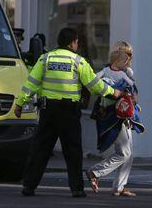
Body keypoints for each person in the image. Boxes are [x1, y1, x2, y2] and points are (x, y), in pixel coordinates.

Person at [14, 27, 121, 198]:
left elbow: (31, 83)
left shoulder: (45, 59)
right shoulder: (79, 61)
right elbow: (94, 85)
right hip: (69, 113)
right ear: (73, 42)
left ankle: (29, 186)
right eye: (77, 41)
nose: (77, 44)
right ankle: (77, 189)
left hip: (48, 111)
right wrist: (113, 92)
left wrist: (20, 103)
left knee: (40, 149)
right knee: (73, 151)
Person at [86, 41, 144, 197]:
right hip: (114, 116)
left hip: (124, 115)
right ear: (119, 58)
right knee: (124, 153)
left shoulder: (122, 72)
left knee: (128, 153)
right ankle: (95, 172)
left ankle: (119, 187)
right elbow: (96, 86)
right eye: (127, 56)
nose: (129, 60)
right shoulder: (109, 74)